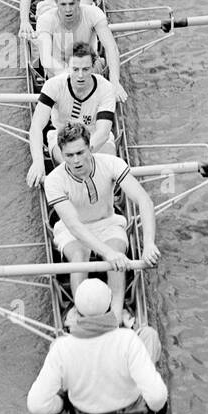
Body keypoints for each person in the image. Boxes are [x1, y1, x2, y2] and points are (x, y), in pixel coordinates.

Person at [39, 122, 160, 323]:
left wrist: (148, 244)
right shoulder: (54, 180)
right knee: (80, 255)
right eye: (69, 155)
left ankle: (114, 316)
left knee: (117, 255)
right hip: (72, 231)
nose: (76, 160)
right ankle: (82, 316)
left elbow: (144, 201)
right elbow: (74, 226)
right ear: (61, 153)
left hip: (108, 223)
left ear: (91, 148)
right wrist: (106, 253)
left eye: (80, 152)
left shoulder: (111, 163)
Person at [27, 277, 167, 414]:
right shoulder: (128, 339)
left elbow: (36, 405)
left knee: (54, 345)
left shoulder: (61, 347)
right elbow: (157, 397)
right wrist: (158, 408)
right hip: (132, 409)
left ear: (77, 311)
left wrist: (61, 405)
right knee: (149, 334)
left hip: (84, 413)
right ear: (109, 307)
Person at [27, 43, 117, 187]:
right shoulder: (53, 85)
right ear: (67, 66)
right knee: (74, 168)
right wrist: (38, 161)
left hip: (96, 140)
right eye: (75, 69)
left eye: (85, 69)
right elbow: (37, 126)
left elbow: (103, 132)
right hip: (63, 140)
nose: (80, 75)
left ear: (94, 66)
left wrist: (83, 154)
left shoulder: (106, 88)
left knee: (109, 167)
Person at [35, 0, 125, 99]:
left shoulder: (93, 13)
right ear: (56, 3)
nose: (68, 9)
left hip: (89, 70)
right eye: (63, 4)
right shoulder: (45, 20)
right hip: (59, 74)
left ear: (79, 1)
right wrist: (69, 75)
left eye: (72, 4)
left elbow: (111, 48)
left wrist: (115, 81)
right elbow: (46, 59)